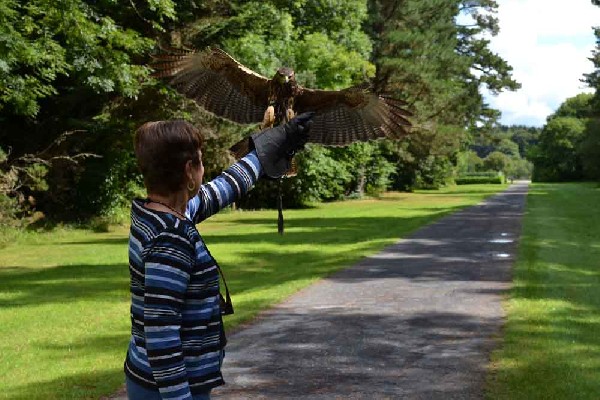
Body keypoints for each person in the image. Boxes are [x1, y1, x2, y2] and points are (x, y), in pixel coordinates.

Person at [123, 113, 314, 400]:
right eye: (201, 161)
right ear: (189, 170)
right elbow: (161, 335)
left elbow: (226, 186)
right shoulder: (170, 238)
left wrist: (273, 145)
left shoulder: (163, 214)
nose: (204, 169)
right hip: (168, 389)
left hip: (160, 382)